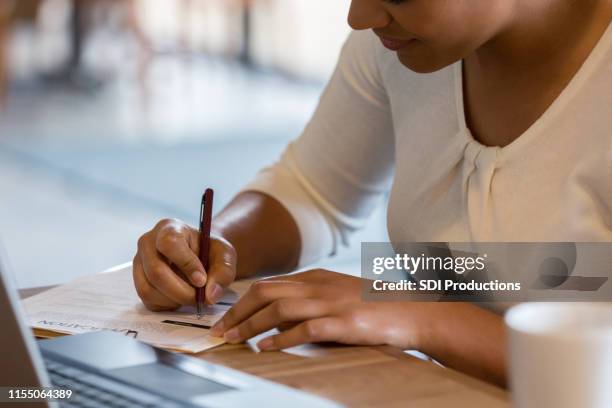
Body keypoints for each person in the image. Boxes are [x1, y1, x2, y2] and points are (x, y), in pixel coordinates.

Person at [133, 0, 612, 386]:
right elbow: (313, 189)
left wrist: (423, 317)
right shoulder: (399, 43)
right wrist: (216, 243)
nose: (357, 16)